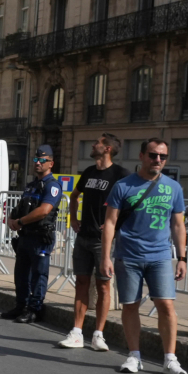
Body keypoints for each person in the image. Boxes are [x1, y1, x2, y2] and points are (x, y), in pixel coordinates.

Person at [101, 137, 188, 374]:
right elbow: (110, 222)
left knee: (166, 305)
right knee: (130, 305)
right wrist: (105, 256)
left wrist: (182, 258)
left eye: (162, 156)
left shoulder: (174, 187)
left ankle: (170, 359)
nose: (157, 160)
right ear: (141, 156)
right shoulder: (123, 186)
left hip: (160, 256)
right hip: (128, 255)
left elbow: (178, 225)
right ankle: (134, 355)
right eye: (153, 155)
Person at [58, 134, 125, 351]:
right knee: (81, 284)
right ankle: (77, 333)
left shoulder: (120, 174)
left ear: (107, 149)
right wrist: (74, 218)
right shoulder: (88, 172)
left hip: (103, 242)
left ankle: (98, 335)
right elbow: (75, 195)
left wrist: (117, 224)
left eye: (97, 142)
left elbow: (132, 203)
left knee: (104, 286)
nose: (93, 144)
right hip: (83, 237)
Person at [3, 145, 60, 325]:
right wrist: (12, 218)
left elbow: (43, 211)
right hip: (26, 237)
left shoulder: (52, 186)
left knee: (38, 275)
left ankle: (34, 310)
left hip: (40, 237)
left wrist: (20, 222)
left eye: (42, 160)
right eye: (36, 160)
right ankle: (21, 305)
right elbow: (21, 207)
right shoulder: (32, 185)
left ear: (51, 163)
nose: (38, 163)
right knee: (21, 275)